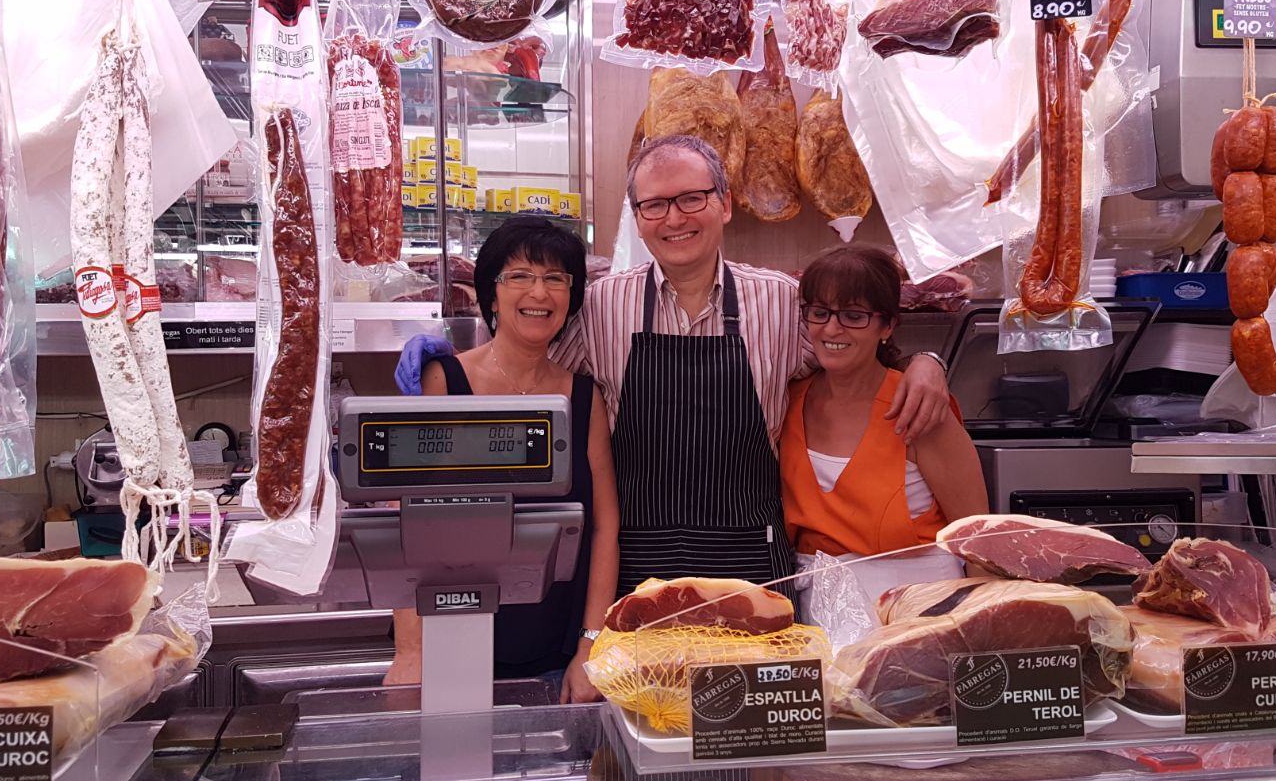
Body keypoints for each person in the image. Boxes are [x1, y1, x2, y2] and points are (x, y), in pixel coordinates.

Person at [544, 135, 952, 597]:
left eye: (691, 199)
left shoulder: (779, 299)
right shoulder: (600, 305)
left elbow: (854, 354)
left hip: (754, 563)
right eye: (654, 205)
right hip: (637, 561)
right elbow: (535, 377)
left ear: (725, 204)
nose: (674, 218)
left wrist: (925, 361)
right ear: (637, 219)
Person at [385, 218, 620, 703]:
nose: (540, 291)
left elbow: (605, 530)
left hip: (555, 647)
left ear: (571, 299)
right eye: (520, 276)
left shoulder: (584, 395)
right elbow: (404, 522)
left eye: (556, 278)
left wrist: (591, 647)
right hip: (452, 637)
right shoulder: (443, 381)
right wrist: (412, 649)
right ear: (491, 295)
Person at [779, 245, 988, 603]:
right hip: (818, 612)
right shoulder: (786, 399)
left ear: (887, 325)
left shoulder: (919, 405)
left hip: (920, 608)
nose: (832, 328)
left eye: (853, 316)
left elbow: (979, 538)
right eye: (820, 312)